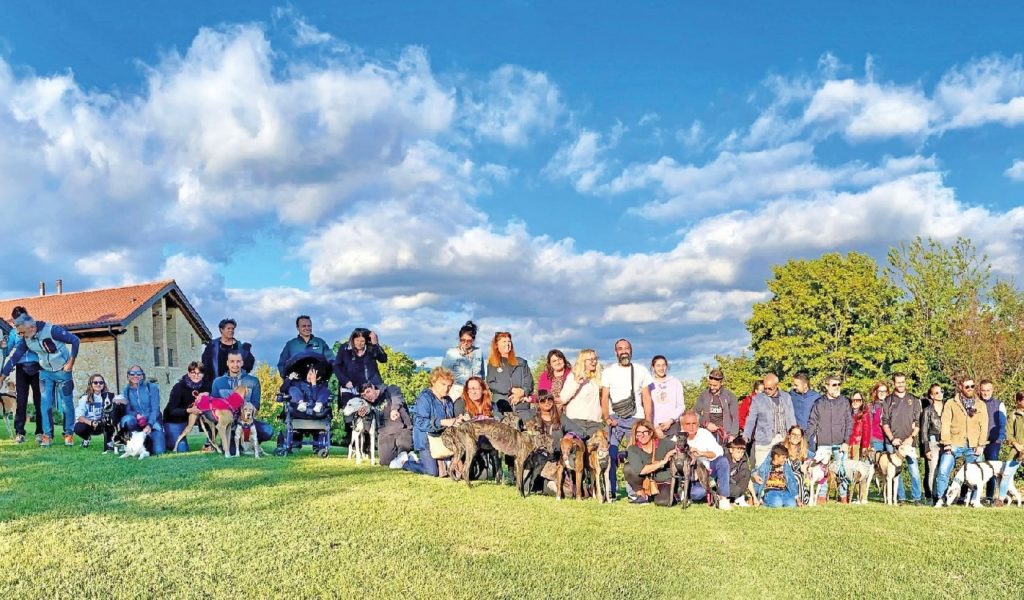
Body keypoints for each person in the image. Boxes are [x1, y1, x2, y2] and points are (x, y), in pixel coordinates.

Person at [0, 311, 80, 448]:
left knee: (67, 403)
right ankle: (47, 436)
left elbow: (75, 340)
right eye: (19, 333)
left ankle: (68, 434)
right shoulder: (26, 339)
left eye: (22, 332)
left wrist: (71, 362)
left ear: (31, 328)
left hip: (62, 371)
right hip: (45, 372)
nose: (21, 336)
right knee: (45, 404)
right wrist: (1, 377)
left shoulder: (52, 330)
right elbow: (15, 357)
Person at [600, 338, 653, 499]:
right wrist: (606, 417)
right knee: (611, 454)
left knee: (634, 456)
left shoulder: (641, 370)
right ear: (616, 352)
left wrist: (647, 422)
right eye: (620, 348)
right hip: (615, 418)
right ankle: (611, 490)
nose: (624, 351)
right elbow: (604, 397)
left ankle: (634, 492)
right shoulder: (608, 372)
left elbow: (646, 397)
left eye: (627, 348)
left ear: (631, 350)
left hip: (636, 418)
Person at [934, 376, 989, 507]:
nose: (970, 389)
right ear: (960, 387)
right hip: (954, 442)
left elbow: (984, 425)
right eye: (967, 386)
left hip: (974, 444)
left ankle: (975, 500)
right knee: (943, 470)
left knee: (978, 473)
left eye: (972, 386)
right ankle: (941, 498)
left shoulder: (980, 404)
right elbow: (945, 423)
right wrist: (946, 443)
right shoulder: (951, 403)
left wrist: (981, 445)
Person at [404, 368, 464, 477]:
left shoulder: (448, 400)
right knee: (432, 472)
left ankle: (443, 462)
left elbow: (450, 420)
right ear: (433, 381)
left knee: (458, 470)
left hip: (443, 439)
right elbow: (419, 422)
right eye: (443, 384)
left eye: (449, 386)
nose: (446, 388)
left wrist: (457, 420)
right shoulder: (425, 398)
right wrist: (443, 422)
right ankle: (406, 462)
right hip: (426, 440)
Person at [806, 375, 853, 503]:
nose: (837, 387)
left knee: (842, 470)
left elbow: (849, 422)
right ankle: (821, 495)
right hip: (823, 442)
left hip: (840, 442)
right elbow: (812, 422)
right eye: (834, 385)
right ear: (826, 386)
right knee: (822, 470)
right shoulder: (819, 403)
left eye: (839, 384)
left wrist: (846, 441)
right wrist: (805, 439)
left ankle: (843, 496)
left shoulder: (844, 402)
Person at [211, 350, 272, 444]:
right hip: (228, 422)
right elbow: (214, 406)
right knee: (230, 450)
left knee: (267, 430)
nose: (235, 364)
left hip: (246, 421)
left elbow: (256, 405)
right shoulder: (218, 382)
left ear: (242, 362)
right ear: (227, 363)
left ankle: (249, 441)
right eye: (232, 361)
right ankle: (229, 440)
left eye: (238, 361)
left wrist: (244, 421)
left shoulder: (253, 381)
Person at [1, 306, 43, 445]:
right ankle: (20, 432)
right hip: (21, 368)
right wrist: (4, 347)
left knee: (39, 400)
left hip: (37, 366)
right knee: (21, 401)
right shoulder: (14, 333)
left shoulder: (33, 329)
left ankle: (40, 432)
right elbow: (7, 354)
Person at [881, 372, 923, 504]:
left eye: (903, 381)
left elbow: (918, 422)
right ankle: (901, 497)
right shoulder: (888, 400)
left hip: (909, 442)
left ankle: (917, 498)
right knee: (895, 473)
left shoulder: (914, 399)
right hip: (893, 442)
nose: (901, 384)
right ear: (894, 383)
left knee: (914, 470)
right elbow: (885, 422)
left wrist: (911, 437)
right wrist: (892, 438)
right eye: (898, 382)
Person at [678, 410, 732, 509]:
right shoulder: (677, 438)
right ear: (682, 425)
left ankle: (723, 499)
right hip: (689, 476)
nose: (691, 427)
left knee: (722, 461)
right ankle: (687, 492)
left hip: (707, 470)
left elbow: (718, 452)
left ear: (698, 424)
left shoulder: (704, 433)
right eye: (688, 424)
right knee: (698, 493)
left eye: (694, 423)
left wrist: (701, 453)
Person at [275, 363, 332, 454]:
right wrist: (289, 378)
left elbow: (314, 396)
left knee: (326, 392)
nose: (311, 377)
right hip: (299, 411)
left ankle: (318, 404)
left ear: (318, 377)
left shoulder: (321, 387)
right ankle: (301, 403)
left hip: (315, 412)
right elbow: (283, 390)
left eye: (314, 376)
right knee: (293, 389)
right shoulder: (298, 383)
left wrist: (314, 384)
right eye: (310, 374)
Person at [450, 376, 498, 480]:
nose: (473, 392)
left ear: (483, 390)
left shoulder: (491, 405)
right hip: (468, 443)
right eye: (470, 389)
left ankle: (497, 470)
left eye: (476, 388)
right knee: (475, 475)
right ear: (466, 391)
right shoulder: (460, 403)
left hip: (487, 443)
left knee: (487, 475)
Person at [745, 373, 796, 468]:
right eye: (765, 388)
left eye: (770, 388)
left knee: (783, 470)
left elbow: (791, 418)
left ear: (777, 386)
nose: (767, 391)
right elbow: (751, 419)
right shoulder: (757, 399)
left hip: (783, 438)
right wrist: (746, 436)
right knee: (761, 469)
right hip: (764, 439)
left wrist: (793, 435)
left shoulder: (786, 397)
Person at [622, 419, 677, 506]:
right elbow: (642, 471)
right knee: (628, 468)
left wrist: (675, 451)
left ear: (651, 433)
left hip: (663, 480)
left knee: (662, 502)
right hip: (645, 481)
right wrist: (662, 462)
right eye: (638, 433)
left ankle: (672, 493)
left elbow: (682, 446)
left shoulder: (664, 443)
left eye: (645, 432)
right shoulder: (633, 449)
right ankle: (642, 494)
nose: (641, 436)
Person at [357, 382, 412, 467]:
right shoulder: (368, 404)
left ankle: (407, 456)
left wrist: (394, 409)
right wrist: (364, 416)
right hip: (384, 434)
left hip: (402, 429)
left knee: (403, 453)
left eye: (368, 392)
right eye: (364, 395)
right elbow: (367, 427)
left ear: (372, 386)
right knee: (385, 463)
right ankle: (401, 459)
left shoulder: (390, 389)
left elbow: (397, 397)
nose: (367, 396)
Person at [485, 332, 534, 422]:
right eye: (504, 341)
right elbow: (491, 384)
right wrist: (511, 390)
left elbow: (529, 383)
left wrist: (522, 392)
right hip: (501, 406)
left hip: (521, 403)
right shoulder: (492, 364)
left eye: (509, 341)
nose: (507, 344)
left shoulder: (522, 362)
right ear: (496, 345)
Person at [119, 365, 165, 454]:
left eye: (138, 373)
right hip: (137, 421)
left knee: (159, 451)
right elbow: (128, 409)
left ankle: (156, 437)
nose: (135, 376)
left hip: (152, 422)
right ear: (128, 376)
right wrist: (136, 415)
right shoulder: (126, 389)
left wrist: (149, 425)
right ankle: (131, 441)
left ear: (142, 375)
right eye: (132, 374)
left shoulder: (151, 387)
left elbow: (155, 409)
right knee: (127, 420)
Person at [559, 349, 604, 438]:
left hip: (594, 422)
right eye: (590, 359)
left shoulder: (597, 378)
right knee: (578, 451)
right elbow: (563, 398)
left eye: (595, 359)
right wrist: (577, 383)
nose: (594, 362)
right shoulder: (573, 376)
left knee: (593, 450)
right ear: (583, 361)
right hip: (577, 421)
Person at [163, 362, 207, 452]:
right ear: (188, 373)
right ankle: (166, 438)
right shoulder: (179, 387)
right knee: (182, 449)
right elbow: (172, 411)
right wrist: (189, 410)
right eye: (193, 373)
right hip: (174, 420)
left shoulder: (205, 387)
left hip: (192, 418)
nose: (196, 375)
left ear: (203, 374)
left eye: (199, 373)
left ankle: (209, 443)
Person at [200, 318, 255, 390]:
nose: (231, 331)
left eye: (233, 329)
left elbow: (249, 364)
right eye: (228, 328)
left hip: (235, 385)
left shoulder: (240, 347)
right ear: (221, 330)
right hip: (215, 384)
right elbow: (205, 365)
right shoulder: (212, 346)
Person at [978, 379, 1006, 503]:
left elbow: (1002, 424)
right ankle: (974, 496)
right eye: (983, 390)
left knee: (991, 469)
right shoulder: (975, 403)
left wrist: (999, 439)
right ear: (980, 390)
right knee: (976, 468)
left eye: (988, 390)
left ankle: (989, 496)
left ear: (992, 390)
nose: (985, 393)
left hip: (993, 442)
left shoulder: (999, 404)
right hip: (977, 442)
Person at [441, 320, 484, 399]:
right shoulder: (451, 353)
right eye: (462, 340)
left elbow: (482, 374)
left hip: (475, 391)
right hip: (457, 391)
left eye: (469, 341)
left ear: (473, 340)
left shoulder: (478, 352)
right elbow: (443, 375)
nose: (465, 343)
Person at [694, 367, 738, 443]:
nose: (712, 387)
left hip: (725, 436)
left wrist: (733, 435)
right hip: (707, 434)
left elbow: (735, 417)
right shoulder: (703, 395)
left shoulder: (730, 396)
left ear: (722, 383)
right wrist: (706, 424)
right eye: (710, 384)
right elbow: (695, 413)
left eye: (715, 385)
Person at [996, 391, 1024, 507]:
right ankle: (1000, 499)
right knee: (1006, 474)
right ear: (1018, 401)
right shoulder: (1013, 416)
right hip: (1016, 450)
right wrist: (1016, 444)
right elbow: (1008, 434)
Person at [72, 373, 114, 449]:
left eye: (101, 382)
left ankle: (109, 443)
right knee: (78, 428)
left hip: (103, 424)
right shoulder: (84, 398)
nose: (98, 384)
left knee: (110, 423)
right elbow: (79, 417)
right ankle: (86, 438)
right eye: (95, 382)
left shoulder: (108, 397)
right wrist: (91, 422)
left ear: (104, 384)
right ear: (90, 384)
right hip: (89, 424)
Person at [919, 384, 945, 502]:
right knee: (932, 470)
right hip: (932, 442)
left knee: (943, 470)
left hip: (946, 443)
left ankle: (942, 494)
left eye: (941, 391)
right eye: (937, 392)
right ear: (931, 396)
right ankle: (933, 496)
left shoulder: (948, 408)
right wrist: (926, 448)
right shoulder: (927, 411)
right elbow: (923, 431)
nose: (940, 394)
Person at [726, 436, 754, 507]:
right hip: (724, 485)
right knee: (736, 489)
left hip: (735, 485)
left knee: (747, 472)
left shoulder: (743, 460)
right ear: (731, 450)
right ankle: (734, 498)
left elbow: (748, 479)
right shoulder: (725, 460)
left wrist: (754, 496)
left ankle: (738, 498)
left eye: (742, 452)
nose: (740, 455)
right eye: (738, 452)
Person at [848, 391, 870, 462]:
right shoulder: (847, 412)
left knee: (855, 467)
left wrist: (865, 446)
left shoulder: (865, 414)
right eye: (853, 400)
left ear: (862, 402)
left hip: (857, 444)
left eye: (858, 400)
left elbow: (866, 431)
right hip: (847, 444)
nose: (855, 402)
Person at [867, 381, 889, 452]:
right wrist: (870, 443)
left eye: (884, 391)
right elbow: (868, 426)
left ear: (887, 392)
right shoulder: (871, 406)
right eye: (880, 391)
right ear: (876, 392)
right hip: (876, 440)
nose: (882, 393)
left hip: (889, 441)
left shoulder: (892, 406)